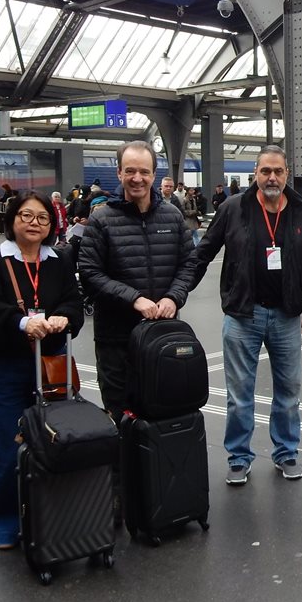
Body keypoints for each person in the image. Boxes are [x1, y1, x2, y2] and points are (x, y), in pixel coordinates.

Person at [188, 145, 302, 486]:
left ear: (287, 173)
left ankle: (286, 452)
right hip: (242, 315)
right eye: (266, 171)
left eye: (278, 171)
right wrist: (177, 292)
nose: (272, 178)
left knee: (289, 392)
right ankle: (238, 456)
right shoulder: (234, 208)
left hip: (287, 315)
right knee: (239, 394)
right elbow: (203, 253)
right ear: (255, 173)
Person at [0, 191, 83, 549]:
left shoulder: (60, 261)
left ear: (52, 225)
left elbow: (73, 303)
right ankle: (4, 522)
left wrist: (66, 318)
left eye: (42, 218)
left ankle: (54, 513)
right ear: (12, 220)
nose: (34, 223)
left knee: (57, 442)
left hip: (51, 366)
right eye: (26, 216)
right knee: (7, 450)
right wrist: (22, 323)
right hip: (7, 365)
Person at [79, 141, 197, 422]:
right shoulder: (102, 220)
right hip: (115, 341)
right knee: (120, 416)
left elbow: (188, 264)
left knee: (164, 412)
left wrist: (173, 297)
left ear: (154, 175)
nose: (137, 178)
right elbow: (89, 273)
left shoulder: (172, 216)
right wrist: (133, 298)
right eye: (130, 171)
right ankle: (123, 467)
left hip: (162, 336)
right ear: (119, 173)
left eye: (144, 171)